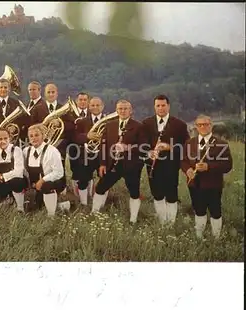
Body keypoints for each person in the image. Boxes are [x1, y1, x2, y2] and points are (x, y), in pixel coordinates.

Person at [90, 100, 143, 224]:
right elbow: (103, 146)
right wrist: (102, 163)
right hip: (111, 164)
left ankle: (133, 219)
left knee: (134, 192)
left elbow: (143, 146)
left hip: (131, 165)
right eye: (120, 109)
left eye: (125, 109)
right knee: (100, 188)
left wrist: (127, 148)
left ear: (131, 111)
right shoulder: (110, 125)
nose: (123, 111)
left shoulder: (139, 126)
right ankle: (94, 213)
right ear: (116, 110)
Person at [140, 94, 189, 225]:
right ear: (154, 107)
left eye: (163, 105)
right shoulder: (146, 123)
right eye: (158, 106)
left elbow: (187, 146)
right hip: (153, 165)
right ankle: (162, 222)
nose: (161, 108)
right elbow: (142, 143)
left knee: (171, 195)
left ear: (168, 106)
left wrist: (169, 147)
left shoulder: (180, 125)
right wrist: (149, 152)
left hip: (171, 165)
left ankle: (170, 223)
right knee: (157, 194)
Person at [181, 115, 233, 239]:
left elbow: (227, 165)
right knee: (199, 211)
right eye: (200, 125)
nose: (203, 127)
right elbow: (183, 160)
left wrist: (208, 167)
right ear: (196, 127)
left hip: (213, 184)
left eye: (206, 124)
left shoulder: (222, 144)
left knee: (215, 211)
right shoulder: (189, 143)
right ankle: (199, 237)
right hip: (194, 184)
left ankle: (216, 238)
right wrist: (187, 170)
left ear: (211, 126)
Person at [23, 124, 70, 216]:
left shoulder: (52, 151)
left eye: (37, 135)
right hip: (36, 185)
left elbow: (59, 173)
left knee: (47, 186)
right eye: (31, 136)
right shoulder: (26, 151)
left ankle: (51, 216)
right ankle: (63, 205)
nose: (34, 138)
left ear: (43, 136)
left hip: (55, 182)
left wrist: (42, 180)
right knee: (38, 207)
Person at [72, 97, 106, 205]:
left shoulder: (108, 121)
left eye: (98, 105)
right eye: (92, 105)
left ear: (102, 106)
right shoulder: (82, 121)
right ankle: (84, 203)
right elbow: (75, 138)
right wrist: (87, 136)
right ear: (89, 106)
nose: (95, 107)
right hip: (86, 155)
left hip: (103, 155)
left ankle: (100, 204)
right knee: (82, 179)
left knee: (105, 179)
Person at [0, 128, 26, 212]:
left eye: (5, 138)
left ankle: (20, 208)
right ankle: (7, 201)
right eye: (0, 139)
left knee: (18, 182)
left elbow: (19, 171)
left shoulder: (16, 150)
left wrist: (2, 177)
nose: (3, 141)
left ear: (9, 138)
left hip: (14, 180)